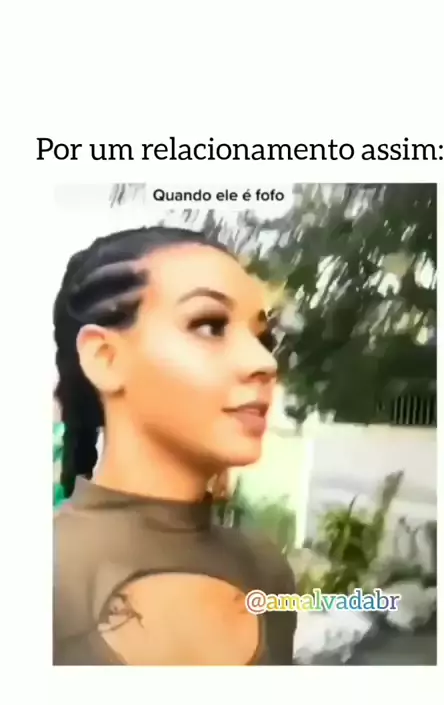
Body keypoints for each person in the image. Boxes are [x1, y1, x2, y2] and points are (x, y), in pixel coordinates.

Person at [53, 225, 297, 665]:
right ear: (106, 358)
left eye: (263, 339)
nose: (265, 362)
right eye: (210, 325)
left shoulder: (268, 572)